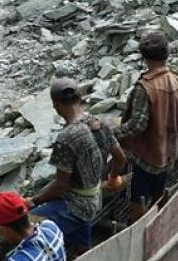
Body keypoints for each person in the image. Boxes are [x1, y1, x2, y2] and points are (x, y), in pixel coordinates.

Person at [27, 78, 125, 251]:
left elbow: (61, 186)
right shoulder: (98, 124)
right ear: (80, 98)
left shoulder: (67, 137)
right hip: (95, 198)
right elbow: (120, 158)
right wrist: (113, 177)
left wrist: (33, 201)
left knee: (27, 224)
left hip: (76, 205)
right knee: (79, 234)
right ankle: (83, 249)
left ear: (56, 105)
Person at [113, 33, 178, 220]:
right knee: (159, 191)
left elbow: (137, 125)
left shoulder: (145, 87)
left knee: (137, 196)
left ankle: (137, 227)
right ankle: (161, 221)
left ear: (145, 57)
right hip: (168, 151)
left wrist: (112, 133)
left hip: (146, 157)